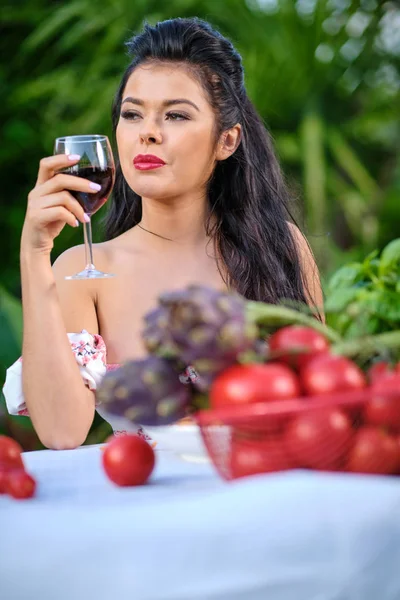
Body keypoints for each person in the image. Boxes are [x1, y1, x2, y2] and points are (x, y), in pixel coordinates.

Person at [3, 17, 323, 449]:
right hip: (149, 506)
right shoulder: (85, 269)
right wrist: (35, 254)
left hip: (267, 496)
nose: (148, 133)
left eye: (175, 114)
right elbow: (62, 433)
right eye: (132, 114)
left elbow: (324, 401)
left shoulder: (278, 248)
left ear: (226, 141)